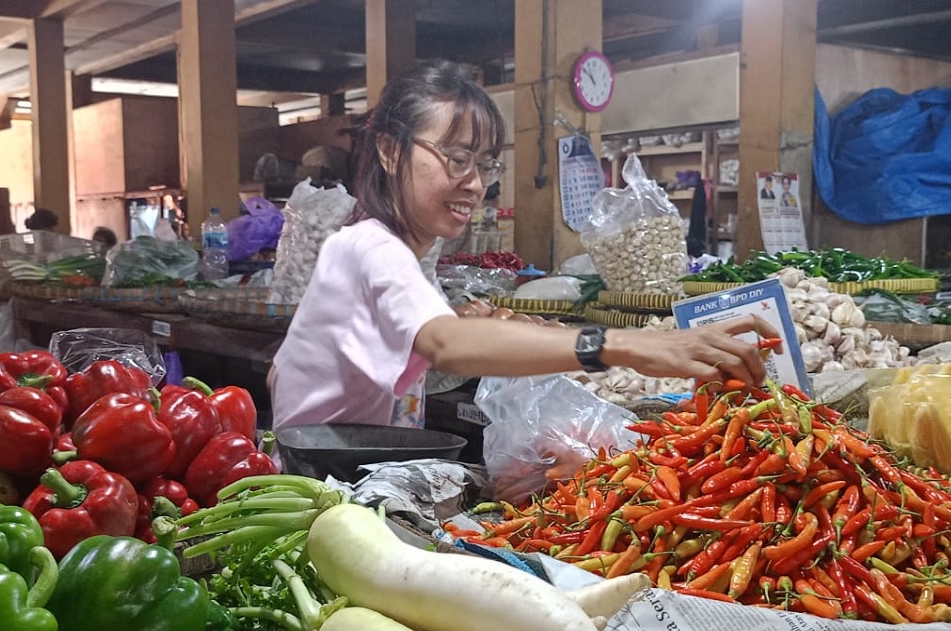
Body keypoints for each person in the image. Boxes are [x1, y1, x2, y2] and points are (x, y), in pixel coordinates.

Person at [268, 60, 778, 431]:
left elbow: (282, 371)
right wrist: (627, 345)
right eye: (457, 157)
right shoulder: (369, 246)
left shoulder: (398, 251)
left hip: (341, 464)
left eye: (486, 164)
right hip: (315, 487)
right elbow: (444, 345)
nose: (474, 184)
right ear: (388, 149)